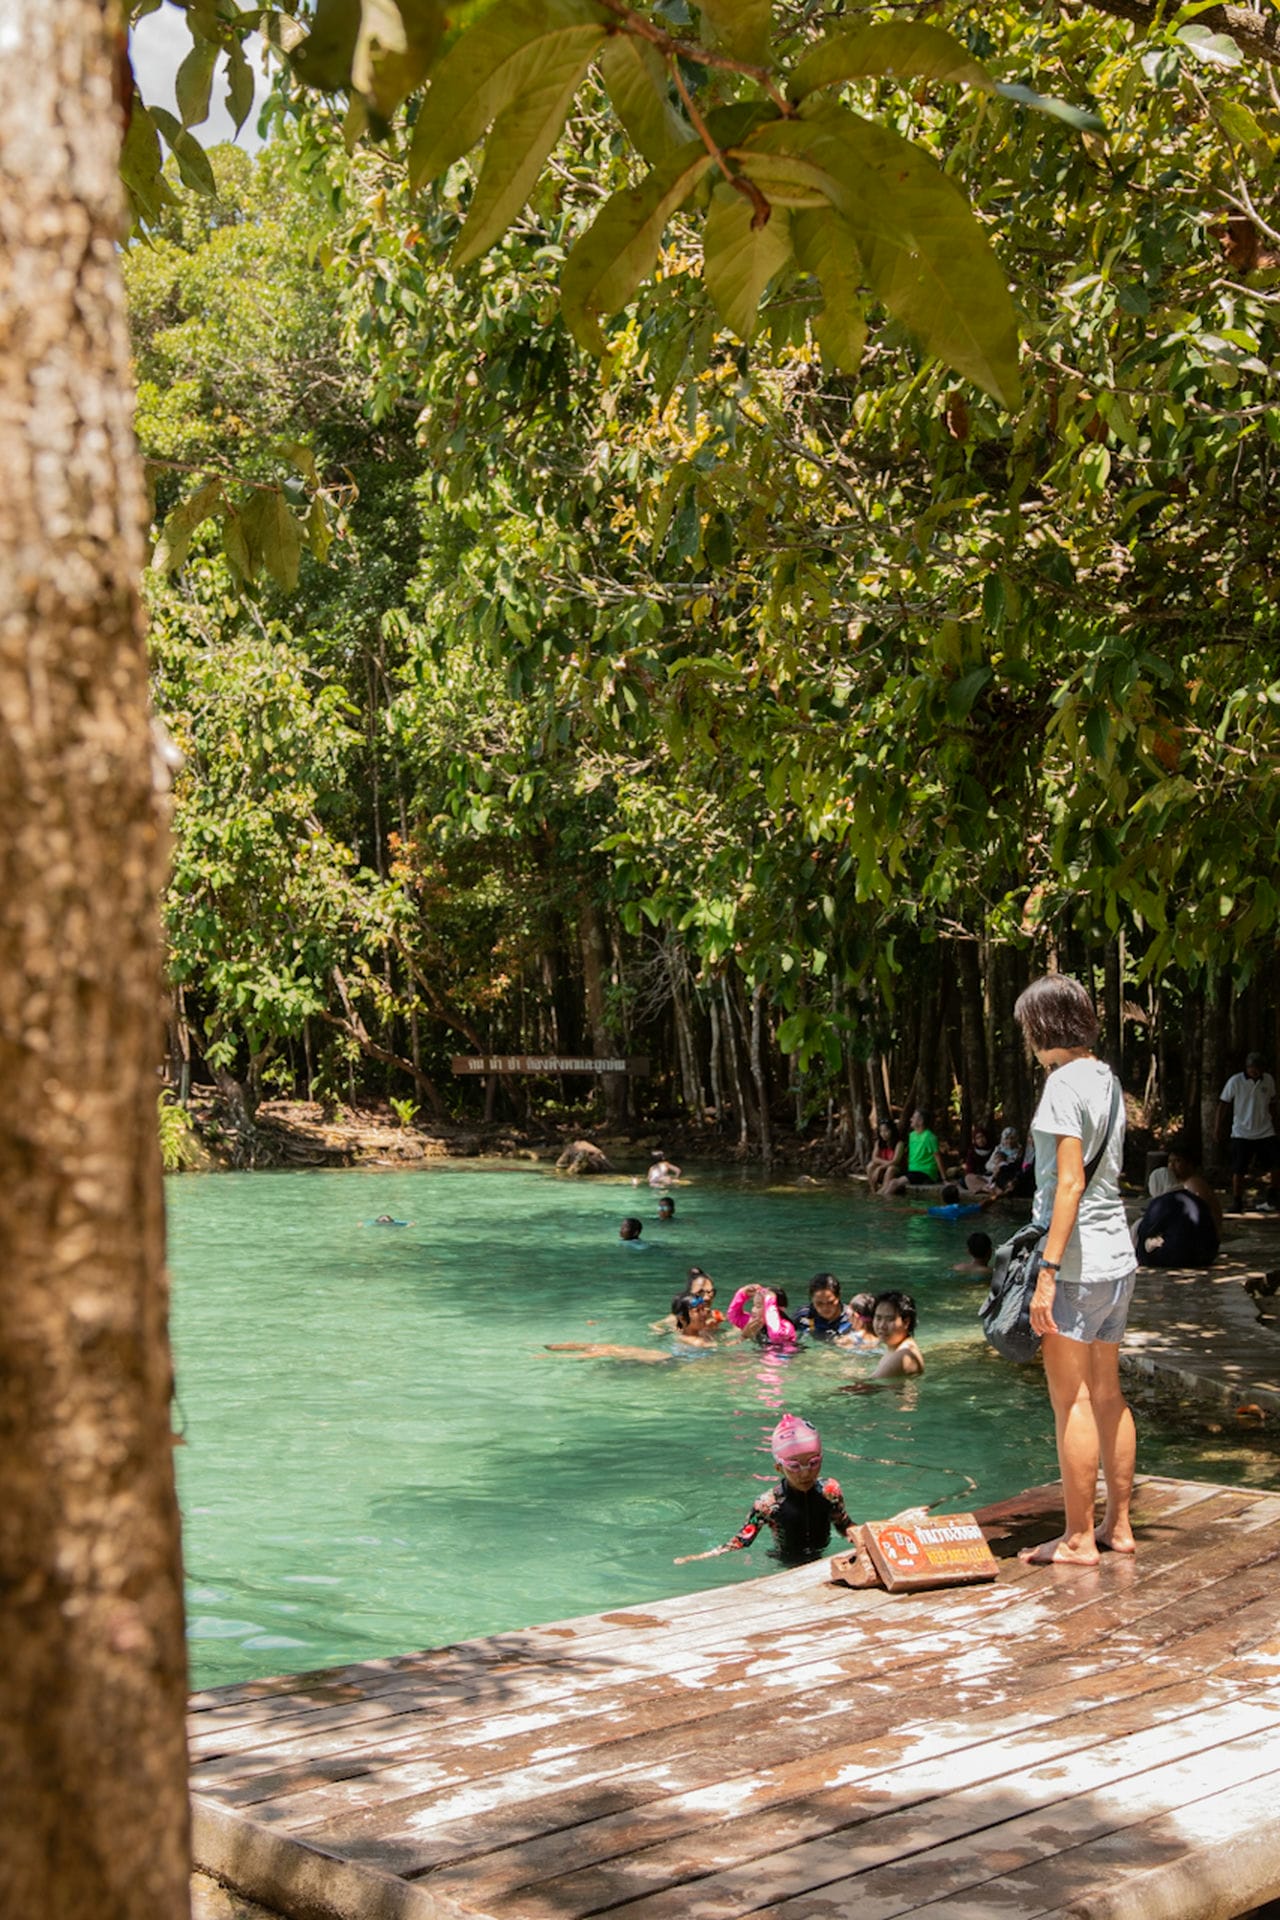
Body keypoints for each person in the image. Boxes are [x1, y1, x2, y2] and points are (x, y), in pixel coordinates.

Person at [1016, 972, 1136, 1567]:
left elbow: (1070, 1182)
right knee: (1110, 1394)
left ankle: (1078, 1539)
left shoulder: (1062, 1084)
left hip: (1077, 1262)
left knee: (1074, 1402)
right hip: (1119, 1257)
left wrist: (1047, 1270)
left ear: (1044, 1027)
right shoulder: (1107, 1079)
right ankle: (1119, 1527)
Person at [675, 1415, 857, 1565]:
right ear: (779, 1468)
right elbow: (741, 1540)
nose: (805, 1473)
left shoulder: (830, 1490)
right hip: (786, 1563)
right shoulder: (768, 1504)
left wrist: (865, 1536)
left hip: (822, 1557)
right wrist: (701, 1557)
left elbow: (845, 1525)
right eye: (794, 1466)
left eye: (813, 1463)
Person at [1134, 1143, 1221, 1268]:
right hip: (1206, 1250)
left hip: (1192, 1247)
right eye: (1170, 1162)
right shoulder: (1184, 1191)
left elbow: (1144, 1230)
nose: (1172, 1166)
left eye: (1177, 1161)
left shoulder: (1192, 1184)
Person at [1219, 1052, 1280, 1213]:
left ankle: (1273, 1197)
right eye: (1252, 1068)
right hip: (1242, 1132)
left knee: (1275, 1165)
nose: (1255, 1072)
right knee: (1238, 1169)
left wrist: (1276, 1124)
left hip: (1265, 1130)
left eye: (1258, 1069)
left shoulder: (1268, 1080)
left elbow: (1272, 1104)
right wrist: (1218, 1127)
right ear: (1247, 1067)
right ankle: (1237, 1201)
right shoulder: (1236, 1081)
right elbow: (1224, 1103)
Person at [882, 1109, 946, 1195]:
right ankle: (879, 1200)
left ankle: (882, 1205)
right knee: (891, 1180)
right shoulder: (912, 1135)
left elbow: (938, 1157)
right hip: (913, 1171)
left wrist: (944, 1179)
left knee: (894, 1183)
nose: (910, 1119)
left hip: (925, 1172)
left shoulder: (929, 1137)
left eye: (913, 1117)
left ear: (920, 1121)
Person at [726, 1284, 799, 1349]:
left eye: (758, 1306)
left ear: (774, 1309)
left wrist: (770, 1300)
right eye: (754, 1305)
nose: (753, 1310)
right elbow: (734, 1317)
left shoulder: (786, 1326)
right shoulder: (756, 1323)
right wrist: (742, 1293)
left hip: (784, 1357)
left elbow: (775, 1335)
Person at [871, 1290, 925, 1377]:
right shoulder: (898, 1347)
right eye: (878, 1318)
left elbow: (863, 1388)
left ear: (906, 1322)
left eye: (890, 1319)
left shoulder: (903, 1355)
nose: (881, 1326)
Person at [793, 1273, 853, 1339]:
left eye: (831, 1302)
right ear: (812, 1299)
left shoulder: (852, 1319)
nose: (825, 1308)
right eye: (819, 1303)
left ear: (838, 1296)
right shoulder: (803, 1318)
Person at [863, 1120, 903, 1194]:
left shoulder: (899, 1143)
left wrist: (881, 1167)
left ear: (892, 1131)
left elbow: (895, 1161)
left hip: (896, 1170)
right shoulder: (879, 1143)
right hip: (884, 1169)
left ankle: (882, 1192)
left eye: (886, 1131)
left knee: (891, 1168)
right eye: (881, 1131)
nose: (883, 1134)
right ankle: (873, 1190)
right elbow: (874, 1158)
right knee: (870, 1166)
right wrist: (883, 1165)